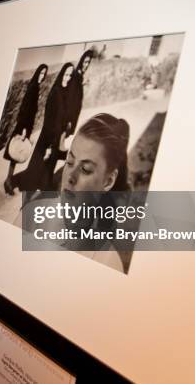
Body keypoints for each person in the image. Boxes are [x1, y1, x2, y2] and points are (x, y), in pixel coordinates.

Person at [60, 113, 133, 272]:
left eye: (85, 169)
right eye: (69, 162)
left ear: (108, 181)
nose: (70, 177)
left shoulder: (108, 264)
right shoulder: (30, 218)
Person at [13, 62, 75, 200]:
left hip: (58, 135)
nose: (68, 78)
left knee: (47, 165)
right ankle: (15, 182)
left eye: (70, 75)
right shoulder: (55, 92)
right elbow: (49, 119)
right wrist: (50, 143)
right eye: (66, 74)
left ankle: (44, 187)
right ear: (62, 75)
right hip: (49, 136)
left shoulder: (65, 92)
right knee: (37, 166)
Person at [2, 64, 48, 195]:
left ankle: (8, 181)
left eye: (44, 74)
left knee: (15, 155)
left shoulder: (35, 87)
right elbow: (24, 109)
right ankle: (8, 182)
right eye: (41, 73)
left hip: (25, 126)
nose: (42, 76)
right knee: (15, 154)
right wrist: (23, 129)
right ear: (37, 73)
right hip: (23, 126)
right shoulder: (33, 87)